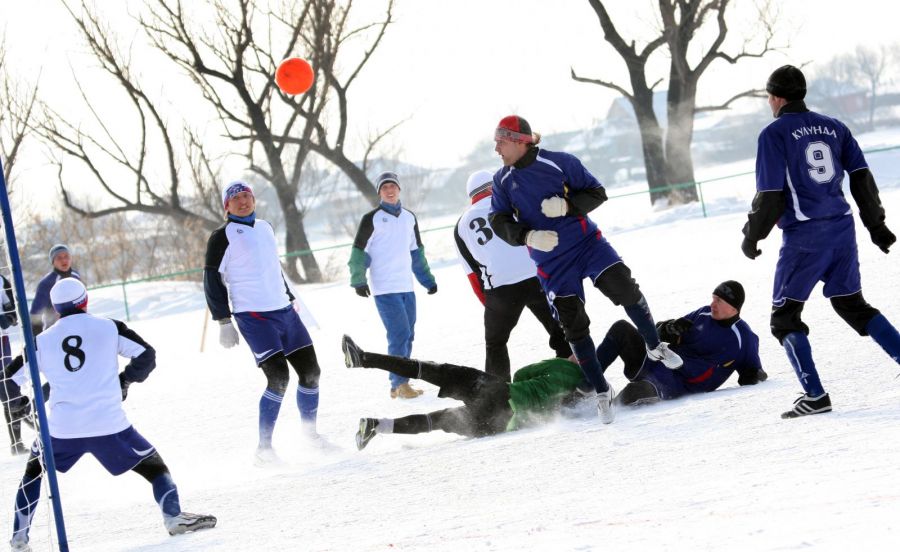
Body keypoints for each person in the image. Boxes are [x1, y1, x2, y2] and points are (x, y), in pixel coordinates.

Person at [488, 115, 682, 424]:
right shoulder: (501, 180)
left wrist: (567, 206)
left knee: (624, 287)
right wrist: (526, 236)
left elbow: (596, 192)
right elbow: (498, 220)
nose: (496, 149)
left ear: (519, 141)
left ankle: (654, 344)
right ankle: (601, 390)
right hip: (551, 262)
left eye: (500, 142)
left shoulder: (560, 162)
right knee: (574, 325)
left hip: (588, 245)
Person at [7, 279, 215, 550]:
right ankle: (174, 517)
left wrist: (20, 403)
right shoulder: (109, 327)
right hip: (109, 425)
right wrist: (124, 380)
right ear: (85, 301)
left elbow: (7, 381)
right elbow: (146, 355)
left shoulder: (41, 341)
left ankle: (19, 538)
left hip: (61, 429)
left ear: (56, 309)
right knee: (156, 468)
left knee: (33, 474)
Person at [742, 65, 900, 419]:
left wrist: (752, 235)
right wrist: (877, 226)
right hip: (842, 230)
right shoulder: (835, 127)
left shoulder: (773, 134)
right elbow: (861, 178)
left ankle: (814, 395)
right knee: (852, 304)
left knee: (784, 319)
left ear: (776, 97)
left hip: (805, 237)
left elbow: (770, 195)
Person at [204, 181, 323, 461]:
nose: (243, 201)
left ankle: (310, 435)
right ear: (227, 206)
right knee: (279, 378)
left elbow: (272, 267)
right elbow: (211, 280)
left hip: (284, 311)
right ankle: (264, 449)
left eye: (247, 196)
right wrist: (223, 321)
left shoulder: (266, 228)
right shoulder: (221, 236)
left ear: (254, 200)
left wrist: (289, 298)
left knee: (311, 373)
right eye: (236, 198)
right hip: (254, 317)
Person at [341, 335, 586, 450]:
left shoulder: (565, 367)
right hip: (499, 425)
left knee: (434, 371)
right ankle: (376, 426)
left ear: (579, 357)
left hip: (499, 395)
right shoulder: (579, 394)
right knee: (438, 420)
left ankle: (363, 359)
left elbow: (521, 374)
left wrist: (561, 363)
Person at [454, 169, 569, 380]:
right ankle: (575, 377)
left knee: (495, 343)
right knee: (560, 329)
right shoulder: (515, 203)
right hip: (537, 277)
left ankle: (498, 392)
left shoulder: (461, 225)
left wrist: (490, 305)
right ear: (493, 187)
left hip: (501, 288)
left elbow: (473, 273)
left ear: (472, 196)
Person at [593, 281, 767, 406]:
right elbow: (658, 333)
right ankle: (586, 385)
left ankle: (599, 412)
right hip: (654, 362)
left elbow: (753, 372)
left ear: (733, 307)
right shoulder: (704, 313)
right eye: (713, 298)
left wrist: (753, 375)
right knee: (621, 329)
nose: (712, 304)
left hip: (675, 385)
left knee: (633, 393)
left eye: (719, 301)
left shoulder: (744, 337)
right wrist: (670, 327)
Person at [348, 171, 437, 399]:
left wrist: (427, 280)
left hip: (406, 286)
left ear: (399, 189)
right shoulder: (372, 219)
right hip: (385, 288)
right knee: (399, 334)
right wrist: (358, 280)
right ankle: (399, 383)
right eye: (384, 187)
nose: (389, 190)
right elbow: (359, 252)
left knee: (409, 335)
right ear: (379, 192)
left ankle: (398, 383)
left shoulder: (409, 218)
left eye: (393, 186)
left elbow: (416, 253)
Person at [1, 274, 32, 455]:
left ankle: (16, 443)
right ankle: (23, 412)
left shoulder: (1, 280)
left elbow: (11, 309)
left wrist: (9, 317)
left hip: (1, 340)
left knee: (7, 386)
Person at [29, 244, 81, 336]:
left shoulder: (76, 276)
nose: (64, 260)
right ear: (53, 262)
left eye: (66, 256)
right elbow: (36, 312)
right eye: (59, 258)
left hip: (78, 327)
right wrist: (37, 335)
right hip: (56, 332)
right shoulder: (46, 283)